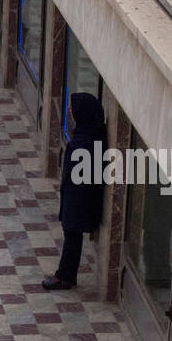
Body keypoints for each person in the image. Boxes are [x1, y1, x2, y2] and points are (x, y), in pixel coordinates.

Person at [43, 92, 107, 291]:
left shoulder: (87, 142)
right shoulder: (88, 133)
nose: (70, 112)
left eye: (73, 109)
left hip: (80, 198)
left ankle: (65, 276)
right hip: (75, 195)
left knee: (72, 234)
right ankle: (65, 274)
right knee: (71, 233)